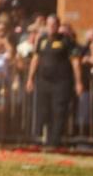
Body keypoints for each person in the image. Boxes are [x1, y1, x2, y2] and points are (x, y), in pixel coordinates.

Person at [26, 14, 82, 147]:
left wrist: (79, 82)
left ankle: (55, 142)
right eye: (49, 24)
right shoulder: (42, 40)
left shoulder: (66, 41)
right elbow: (36, 59)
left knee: (58, 111)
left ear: (58, 26)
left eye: (54, 25)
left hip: (61, 82)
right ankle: (45, 138)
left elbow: (75, 61)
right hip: (44, 82)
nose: (51, 27)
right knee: (44, 110)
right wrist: (30, 78)